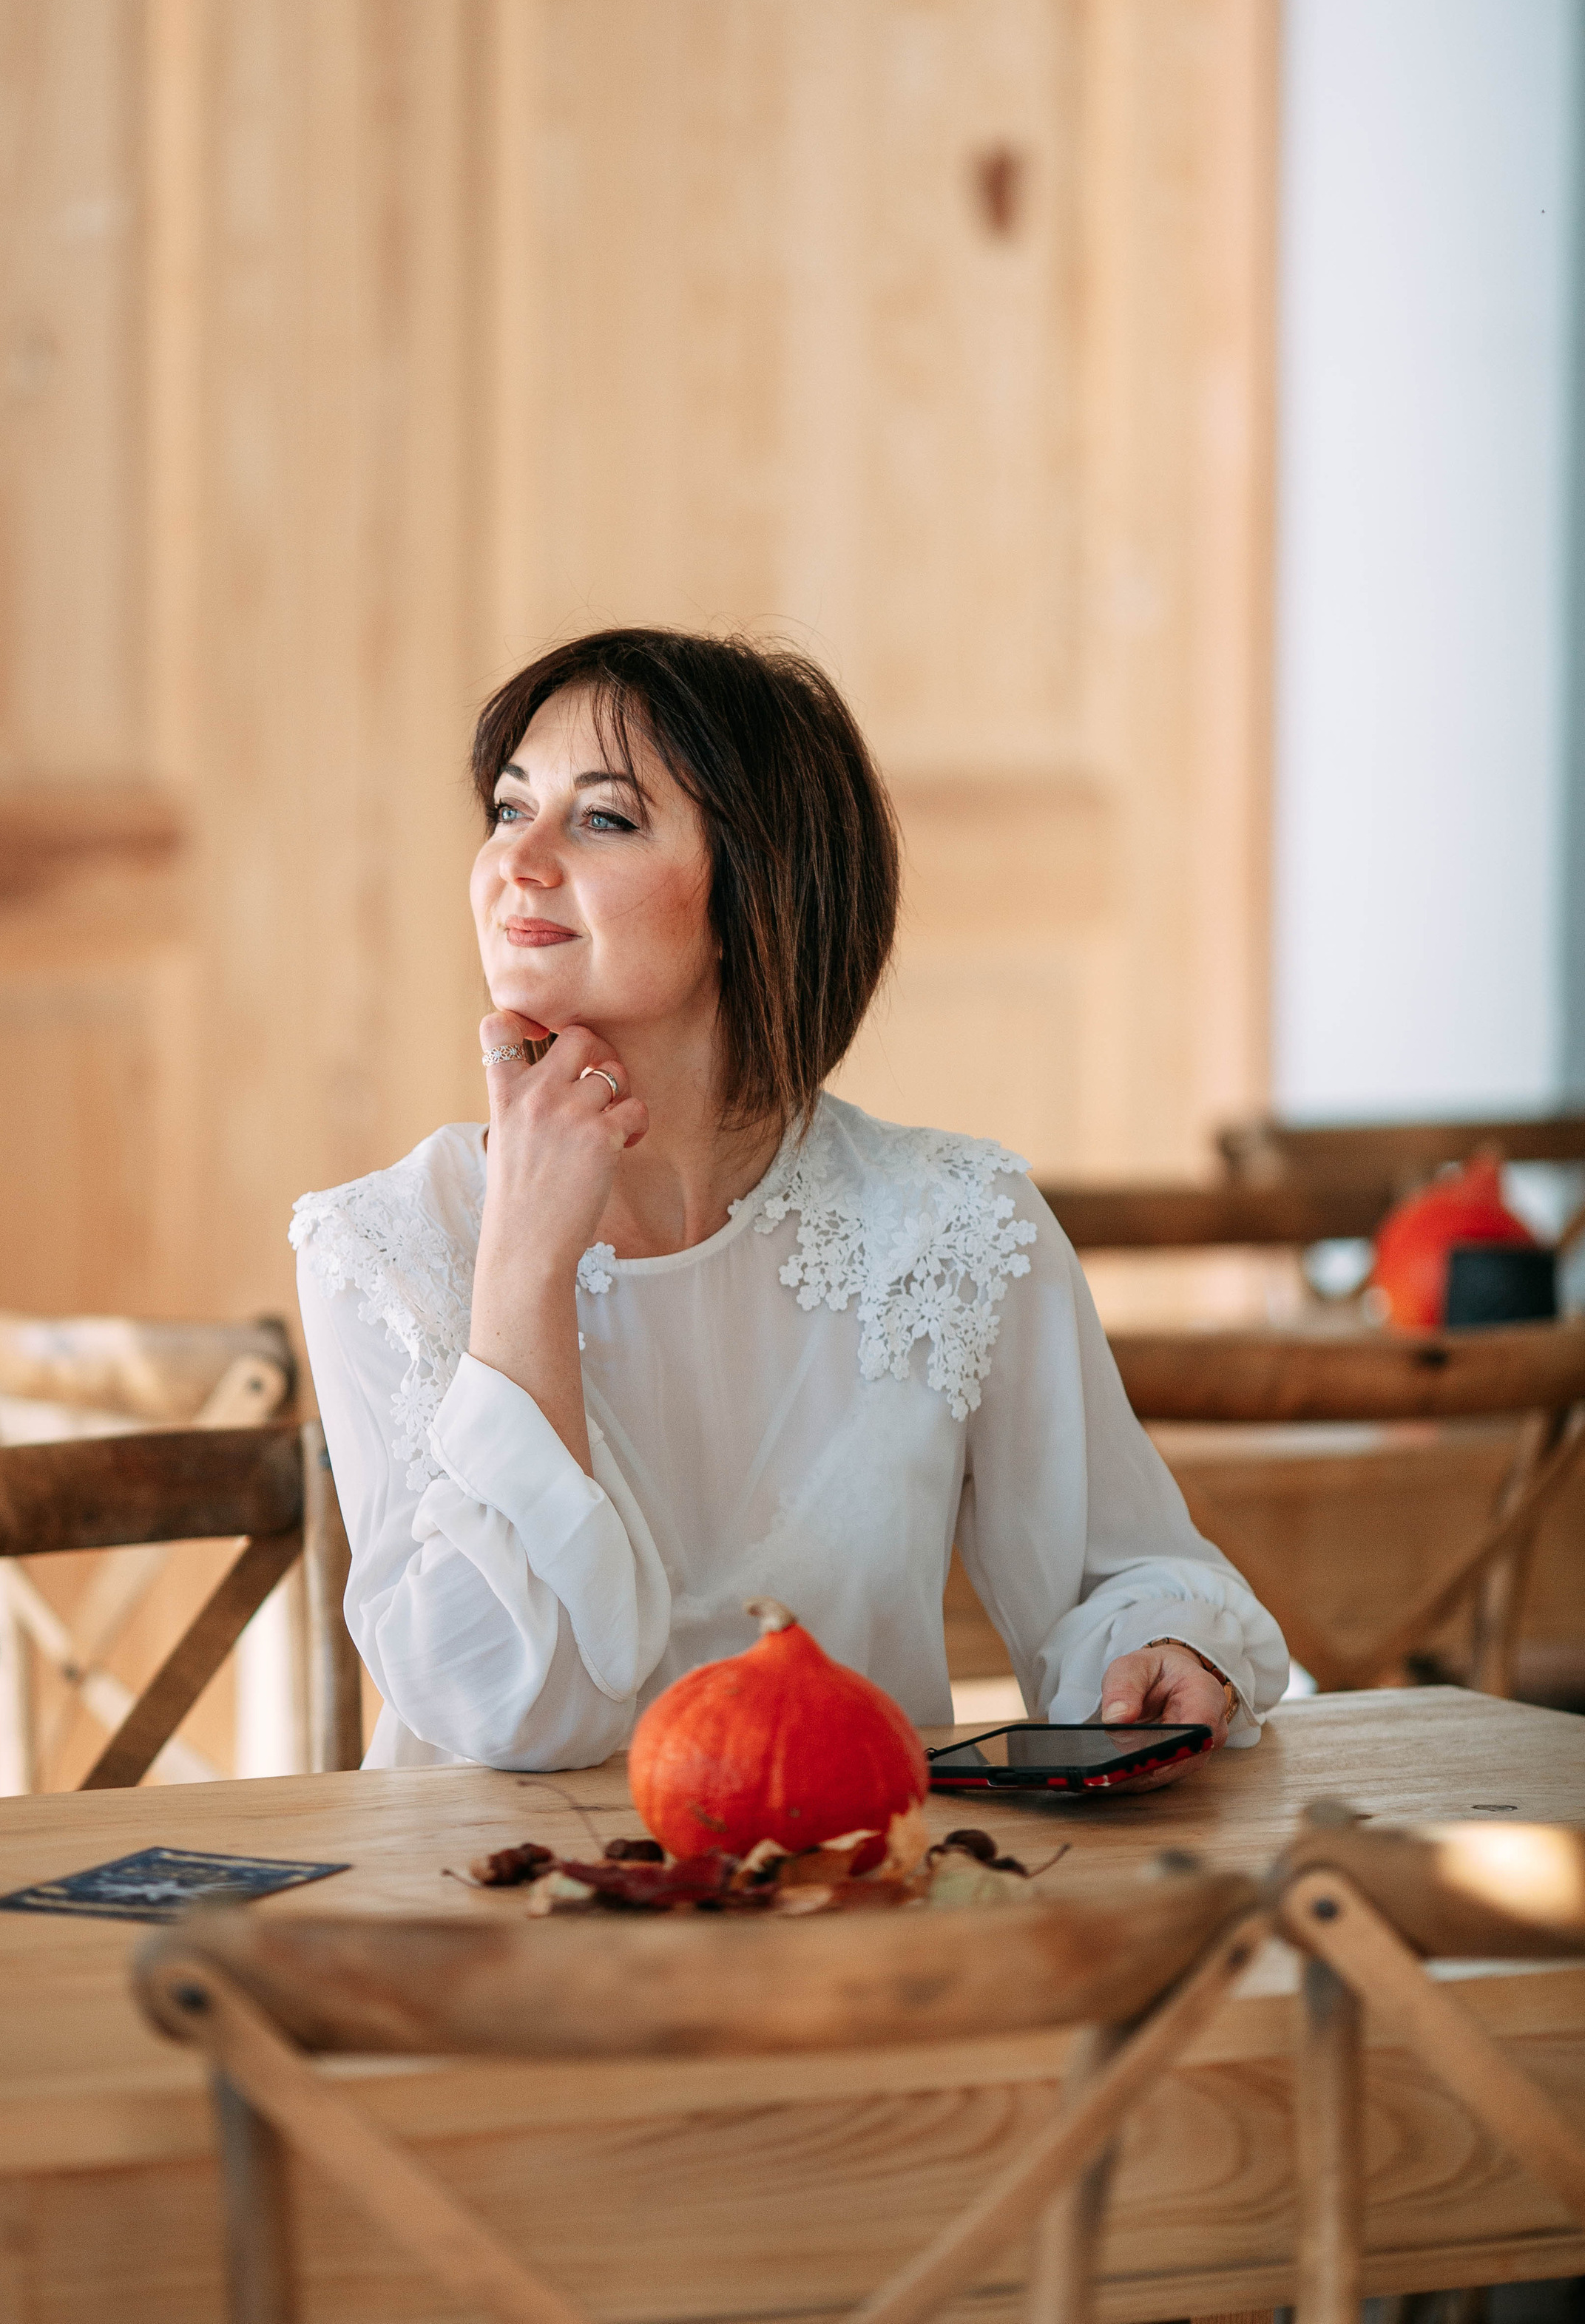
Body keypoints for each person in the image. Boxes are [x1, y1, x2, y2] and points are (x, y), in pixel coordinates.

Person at [293, 627, 1288, 1772]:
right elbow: (511, 1717)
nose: (519, 861)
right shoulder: (382, 1243)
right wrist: (523, 1260)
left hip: (857, 1906)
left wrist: (1161, 1648)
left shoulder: (955, 1229)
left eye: (603, 818)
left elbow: (1122, 1575)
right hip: (501, 1921)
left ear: (755, 889)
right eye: (511, 810)